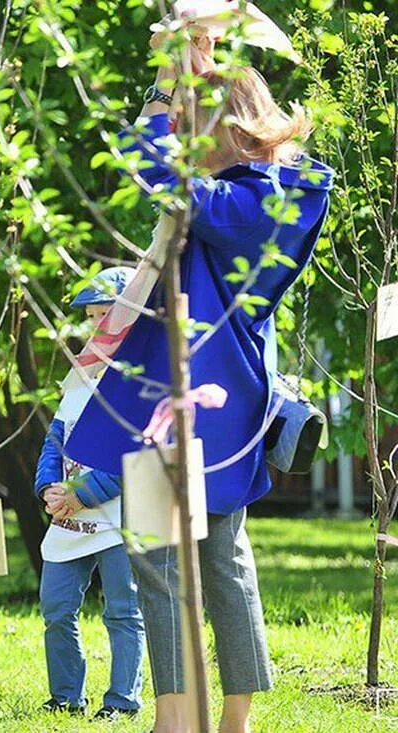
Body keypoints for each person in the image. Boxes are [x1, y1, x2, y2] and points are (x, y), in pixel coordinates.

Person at [64, 31, 334, 733]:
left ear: (222, 130)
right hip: (233, 403)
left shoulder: (235, 204)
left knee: (161, 559)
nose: (180, 132)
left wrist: (164, 82)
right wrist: (198, 72)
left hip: (183, 399)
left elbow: (144, 160)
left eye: (192, 123)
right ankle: (231, 720)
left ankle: (179, 721)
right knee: (224, 560)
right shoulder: (281, 198)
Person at [36, 266, 144, 721]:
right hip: (68, 515)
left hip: (122, 517)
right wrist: (48, 489)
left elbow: (138, 450)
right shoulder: (82, 372)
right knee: (57, 609)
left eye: (110, 315)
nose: (101, 324)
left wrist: (86, 491)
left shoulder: (141, 377)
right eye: (95, 315)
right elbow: (56, 438)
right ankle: (65, 697)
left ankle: (121, 701)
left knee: (123, 611)